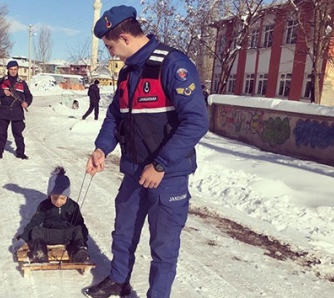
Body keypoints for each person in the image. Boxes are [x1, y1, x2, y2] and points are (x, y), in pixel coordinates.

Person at [84, 5, 209, 298]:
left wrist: (161, 164)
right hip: (133, 170)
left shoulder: (172, 65)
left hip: (167, 176)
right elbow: (116, 115)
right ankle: (118, 279)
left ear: (125, 37)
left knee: (163, 247)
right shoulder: (128, 73)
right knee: (123, 231)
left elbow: (197, 122)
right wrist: (102, 148)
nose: (110, 53)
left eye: (110, 46)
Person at [17, 167, 89, 263]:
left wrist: (83, 242)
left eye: (62, 198)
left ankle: (78, 252)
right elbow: (33, 222)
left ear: (67, 196)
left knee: (78, 229)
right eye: (55, 198)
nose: (58, 202)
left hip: (66, 235)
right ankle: (40, 252)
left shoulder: (73, 206)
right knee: (36, 231)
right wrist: (22, 239)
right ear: (49, 195)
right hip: (49, 235)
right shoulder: (44, 205)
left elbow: (80, 224)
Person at [0, 60, 33, 160]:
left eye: (15, 69)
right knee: (1, 133)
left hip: (17, 111)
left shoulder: (22, 83)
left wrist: (26, 102)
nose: (13, 71)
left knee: (18, 133)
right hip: (4, 111)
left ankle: (20, 153)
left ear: (17, 69)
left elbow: (29, 96)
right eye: (11, 69)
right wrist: (3, 92)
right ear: (8, 70)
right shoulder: (2, 81)